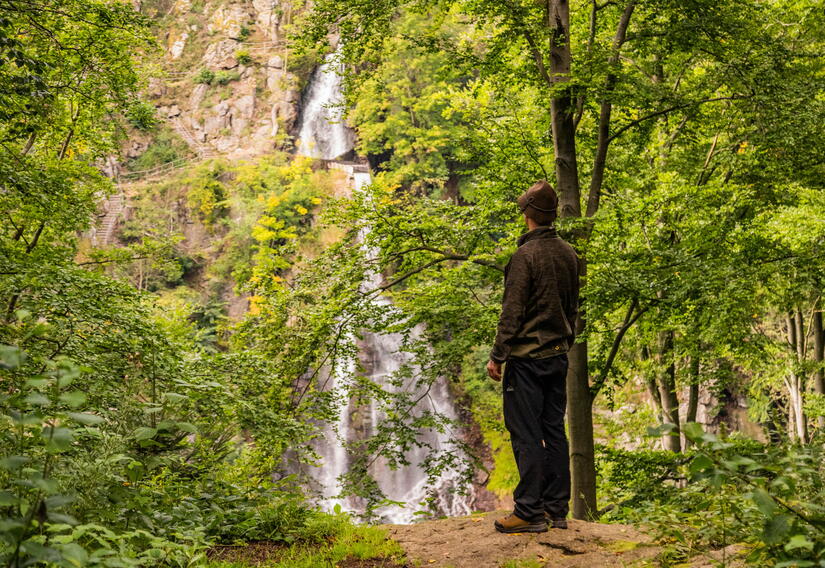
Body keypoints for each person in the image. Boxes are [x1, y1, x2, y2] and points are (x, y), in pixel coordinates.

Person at [486, 180, 580, 534]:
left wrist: (498, 355)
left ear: (527, 213)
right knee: (554, 431)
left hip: (526, 360)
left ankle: (528, 512)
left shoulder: (525, 257)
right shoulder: (569, 253)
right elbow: (573, 309)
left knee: (526, 434)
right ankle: (557, 511)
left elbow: (511, 312)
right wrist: (563, 342)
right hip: (558, 357)